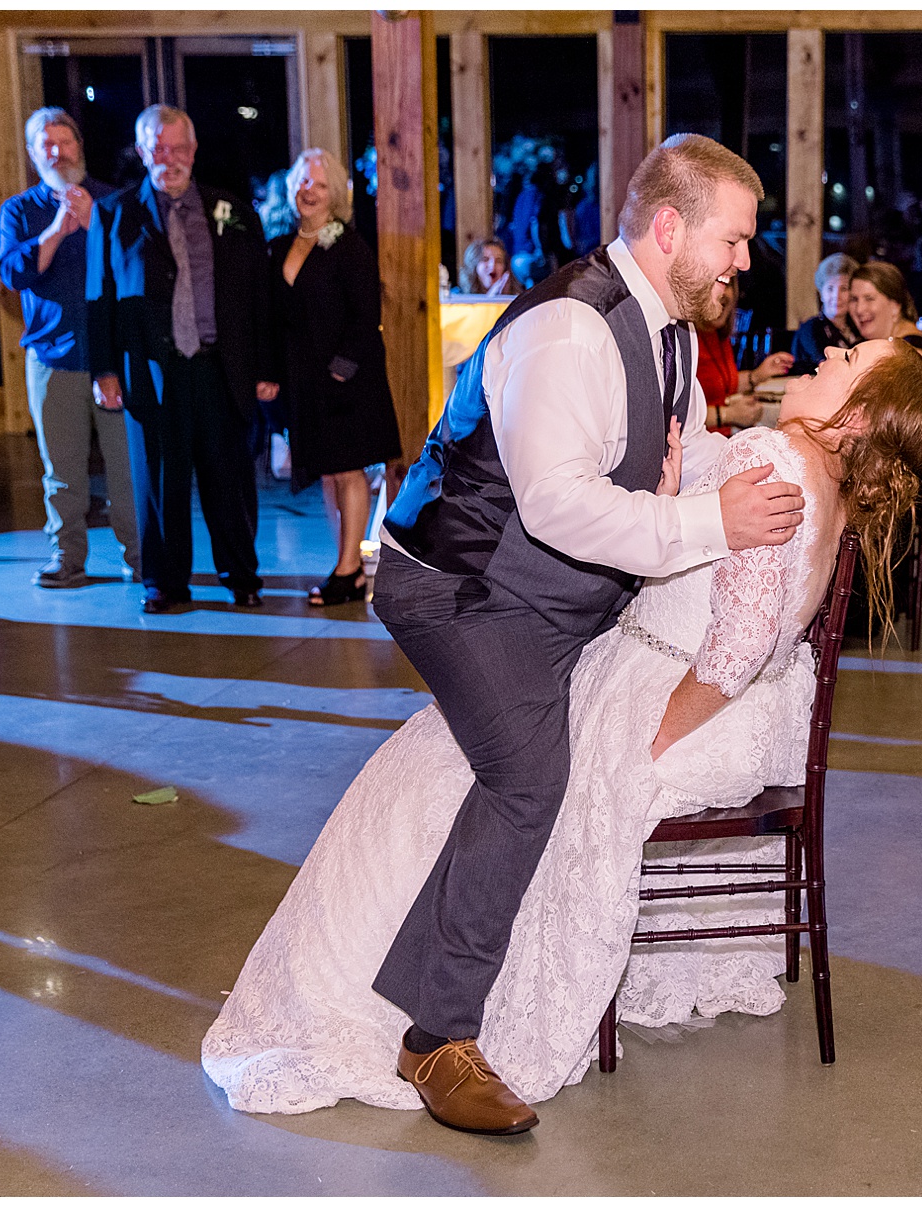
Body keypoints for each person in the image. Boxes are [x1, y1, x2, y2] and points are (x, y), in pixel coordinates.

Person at [202, 336, 922, 1120]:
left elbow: (735, 648)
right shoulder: (824, 477)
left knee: (457, 765)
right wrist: (673, 493)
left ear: (857, 416)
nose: (830, 350)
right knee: (453, 753)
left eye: (850, 357)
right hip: (744, 714)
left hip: (678, 694)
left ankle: (398, 998)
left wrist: (652, 737)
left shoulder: (774, 456)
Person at [260, 133, 813, 1137]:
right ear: (670, 227)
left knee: (539, 757)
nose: (744, 259)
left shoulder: (673, 329)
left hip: (556, 598)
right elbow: (558, 508)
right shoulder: (568, 330)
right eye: (734, 239)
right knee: (528, 779)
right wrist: (711, 522)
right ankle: (437, 1038)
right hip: (458, 589)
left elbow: (640, 475)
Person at [86, 104, 276, 614]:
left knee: (229, 480)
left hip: (221, 367)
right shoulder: (113, 213)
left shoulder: (232, 210)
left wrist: (266, 367)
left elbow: (259, 296)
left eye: (178, 148)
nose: (168, 158)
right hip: (150, 372)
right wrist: (104, 369)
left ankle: (242, 575)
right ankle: (165, 583)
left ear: (193, 152)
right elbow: (97, 296)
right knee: (159, 483)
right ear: (143, 151)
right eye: (158, 148)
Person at [0, 107, 140, 590]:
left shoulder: (113, 200)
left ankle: (142, 558)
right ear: (34, 154)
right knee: (62, 472)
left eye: (66, 142)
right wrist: (57, 229)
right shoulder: (19, 210)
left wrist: (94, 221)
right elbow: (14, 273)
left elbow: (133, 268)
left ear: (80, 146)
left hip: (114, 363)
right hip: (52, 360)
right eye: (46, 145)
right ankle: (68, 558)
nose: (58, 152)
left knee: (126, 470)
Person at [264, 149, 403, 606]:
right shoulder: (280, 245)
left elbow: (366, 316)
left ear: (336, 195)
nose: (309, 191)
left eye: (320, 185)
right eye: (303, 182)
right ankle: (342, 561)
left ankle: (349, 570)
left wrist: (340, 371)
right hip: (304, 381)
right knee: (327, 473)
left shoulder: (349, 245)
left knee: (348, 469)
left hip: (347, 378)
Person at [696, 277, 790, 434]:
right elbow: (677, 415)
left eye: (727, 285)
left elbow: (721, 384)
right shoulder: (686, 338)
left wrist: (758, 375)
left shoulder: (718, 336)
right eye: (714, 284)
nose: (723, 293)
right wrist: (728, 414)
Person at [845, 261, 922, 386]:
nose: (859, 309)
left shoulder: (913, 353)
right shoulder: (869, 345)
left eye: (869, 298)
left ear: (895, 306)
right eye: (854, 299)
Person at [788, 252, 860, 377]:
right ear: (821, 293)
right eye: (830, 289)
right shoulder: (810, 328)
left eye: (843, 289)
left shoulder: (858, 328)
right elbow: (826, 366)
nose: (836, 296)